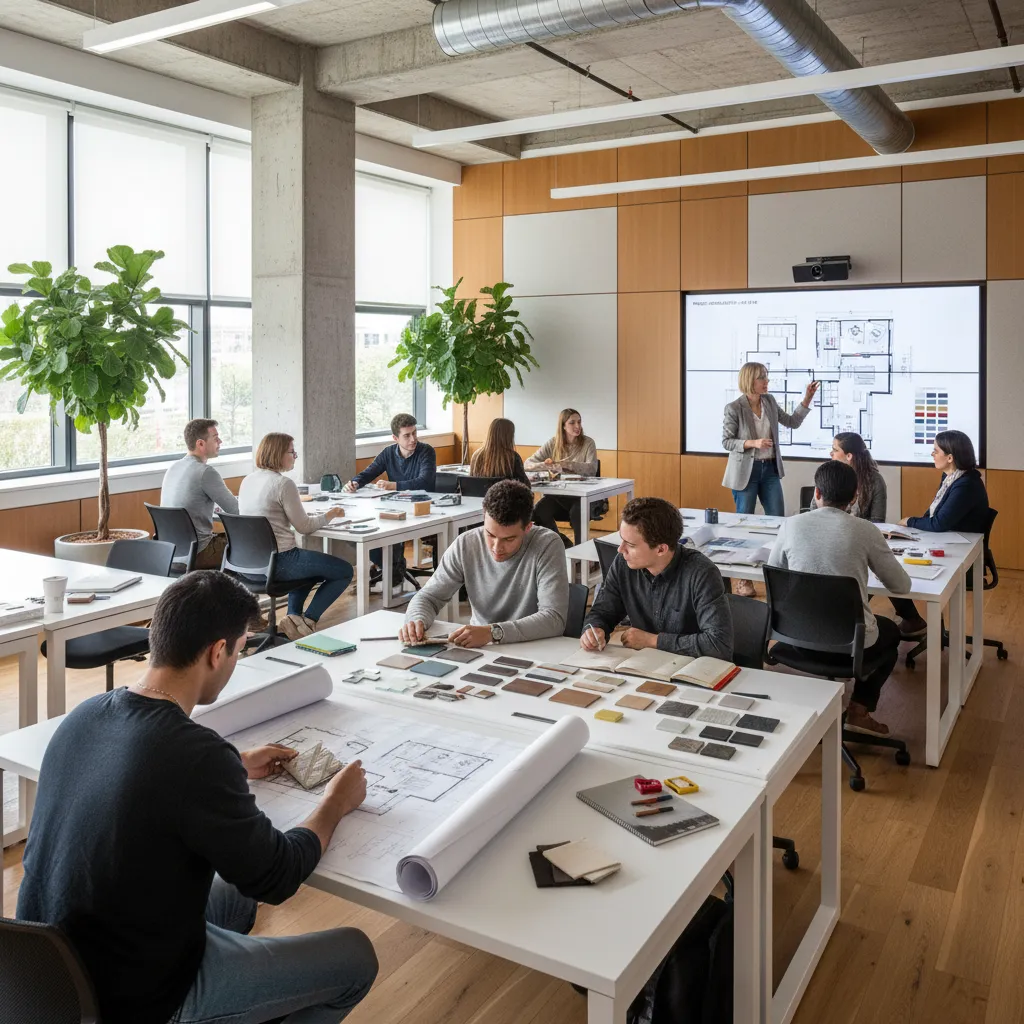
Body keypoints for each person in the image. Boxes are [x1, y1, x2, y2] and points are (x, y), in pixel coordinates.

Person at [17, 570, 377, 1024]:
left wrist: (236, 762)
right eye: (240, 649)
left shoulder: (86, 714)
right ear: (217, 651)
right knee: (356, 957)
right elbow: (278, 875)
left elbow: (148, 774)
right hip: (137, 997)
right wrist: (335, 802)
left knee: (235, 896)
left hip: (48, 974)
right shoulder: (196, 757)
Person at [768, 460, 911, 736]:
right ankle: (859, 710)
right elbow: (901, 586)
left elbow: (776, 575)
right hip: (851, 645)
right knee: (891, 632)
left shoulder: (790, 526)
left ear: (817, 493)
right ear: (855, 496)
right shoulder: (866, 530)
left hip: (795, 638)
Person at [399, 480, 569, 647]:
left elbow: (554, 618)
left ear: (527, 528)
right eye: (490, 534)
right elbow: (429, 597)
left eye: (509, 539)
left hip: (534, 646)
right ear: (484, 517)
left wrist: (492, 633)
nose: (497, 547)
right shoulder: (466, 543)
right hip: (480, 646)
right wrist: (416, 620)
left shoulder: (547, 544)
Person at [581, 497, 732, 659]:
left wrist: (653, 641)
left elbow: (718, 644)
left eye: (630, 545)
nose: (620, 549)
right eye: (621, 540)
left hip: (692, 668)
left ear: (661, 549)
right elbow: (603, 611)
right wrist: (594, 629)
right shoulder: (623, 563)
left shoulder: (701, 573)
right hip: (645, 663)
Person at [239, 432, 353, 640]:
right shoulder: (283, 484)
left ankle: (292, 619)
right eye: (292, 452)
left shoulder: (248, 480)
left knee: (311, 566)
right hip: (281, 563)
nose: (295, 456)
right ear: (277, 454)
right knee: (343, 570)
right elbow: (304, 527)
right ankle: (308, 621)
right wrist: (330, 514)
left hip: (249, 565)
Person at [722, 363, 819, 596]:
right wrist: (753, 443)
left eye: (766, 377)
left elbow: (793, 422)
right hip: (747, 471)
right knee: (743, 526)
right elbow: (727, 441)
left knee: (777, 523)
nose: (766, 381)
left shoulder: (770, 402)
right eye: (761, 378)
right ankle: (743, 580)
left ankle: (778, 574)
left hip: (770, 470)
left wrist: (806, 399)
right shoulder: (734, 407)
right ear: (749, 380)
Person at [890, 429, 990, 636]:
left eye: (936, 451)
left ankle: (910, 620)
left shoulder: (966, 484)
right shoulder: (951, 478)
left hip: (959, 558)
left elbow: (939, 523)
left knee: (893, 570)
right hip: (942, 545)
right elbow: (932, 515)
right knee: (889, 565)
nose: (932, 454)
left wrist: (909, 521)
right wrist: (910, 530)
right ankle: (910, 619)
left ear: (950, 457)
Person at [344, 412, 436, 586]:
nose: (413, 439)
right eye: (407, 435)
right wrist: (354, 483)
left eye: (414, 433)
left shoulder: (426, 451)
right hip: (395, 507)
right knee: (357, 531)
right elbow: (369, 473)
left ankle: (394, 566)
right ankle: (392, 565)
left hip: (423, 509)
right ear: (395, 437)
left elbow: (425, 481)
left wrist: (393, 485)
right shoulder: (388, 453)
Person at [160, 418, 239, 569]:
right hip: (199, 554)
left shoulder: (173, 468)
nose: (220, 441)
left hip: (169, 554)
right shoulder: (205, 472)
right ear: (200, 443)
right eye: (216, 438)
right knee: (249, 546)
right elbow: (236, 510)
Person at [525, 408, 599, 547]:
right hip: (558, 496)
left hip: (581, 497)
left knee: (578, 512)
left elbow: (592, 469)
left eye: (579, 422)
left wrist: (567, 464)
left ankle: (581, 554)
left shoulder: (588, 443)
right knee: (537, 512)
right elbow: (527, 464)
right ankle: (564, 546)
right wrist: (546, 465)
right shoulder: (553, 443)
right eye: (572, 423)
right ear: (563, 425)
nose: (577, 426)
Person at [810, 431, 888, 521]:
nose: (831, 453)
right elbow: (813, 512)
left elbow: (878, 521)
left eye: (835, 450)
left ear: (849, 456)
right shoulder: (828, 475)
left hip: (859, 533)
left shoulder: (875, 480)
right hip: (826, 530)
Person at [469, 417, 530, 485]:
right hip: (505, 495)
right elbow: (525, 485)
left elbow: (471, 483)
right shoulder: (513, 457)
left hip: (481, 495)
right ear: (509, 436)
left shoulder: (477, 455)